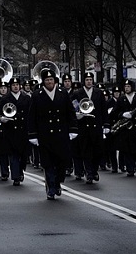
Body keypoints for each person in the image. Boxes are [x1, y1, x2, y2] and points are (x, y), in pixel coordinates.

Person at [27, 69, 78, 200]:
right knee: (48, 163)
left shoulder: (63, 93)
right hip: (45, 135)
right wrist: (32, 134)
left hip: (61, 134)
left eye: (51, 80)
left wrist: (73, 129)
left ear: (55, 81)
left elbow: (70, 112)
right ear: (43, 82)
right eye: (47, 80)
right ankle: (51, 188)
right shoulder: (37, 95)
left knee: (62, 162)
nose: (49, 82)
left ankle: (57, 182)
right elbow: (32, 115)